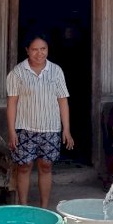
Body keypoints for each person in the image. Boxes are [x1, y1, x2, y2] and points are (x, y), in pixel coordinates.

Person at [7, 34, 74, 209]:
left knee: (46, 166)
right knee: (24, 166)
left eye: (43, 49)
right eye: (35, 49)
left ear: (48, 50)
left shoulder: (56, 71)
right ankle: (23, 207)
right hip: (24, 128)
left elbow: (62, 100)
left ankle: (44, 208)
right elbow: (12, 103)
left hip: (50, 128)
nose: (39, 53)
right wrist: (12, 131)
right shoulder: (17, 72)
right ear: (27, 51)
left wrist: (66, 129)